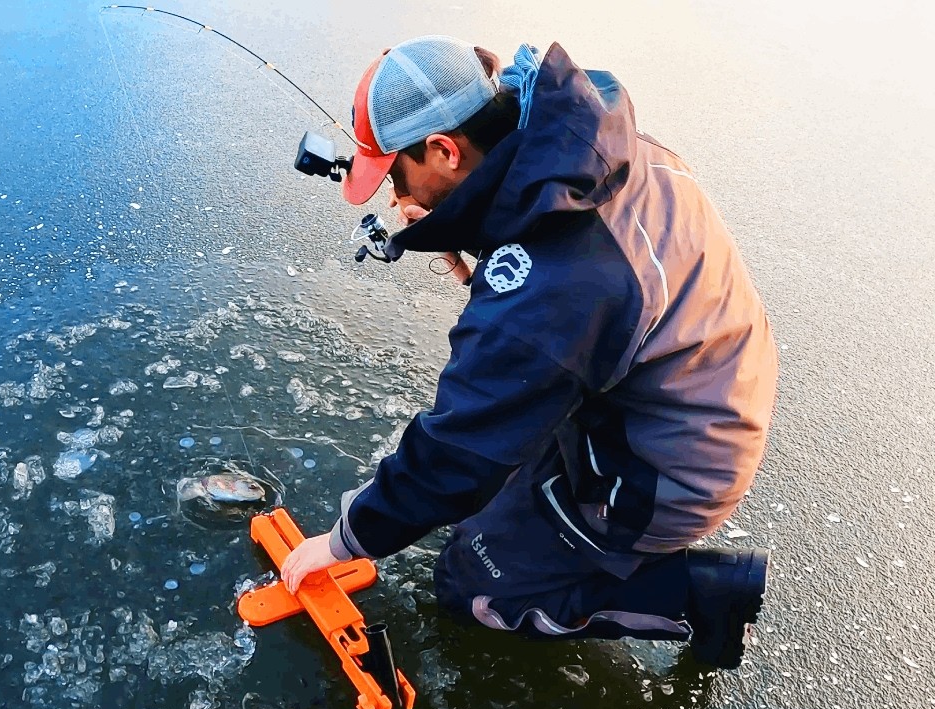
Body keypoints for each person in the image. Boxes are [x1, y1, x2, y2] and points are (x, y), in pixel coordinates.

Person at [279, 35, 778, 669]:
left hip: (669, 464)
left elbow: (458, 450)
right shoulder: (584, 141)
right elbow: (573, 287)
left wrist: (347, 539)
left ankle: (698, 596)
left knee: (470, 584)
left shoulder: (553, 281)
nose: (392, 195)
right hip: (707, 373)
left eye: (396, 174)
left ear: (443, 149)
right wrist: (472, 228)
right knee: (482, 517)